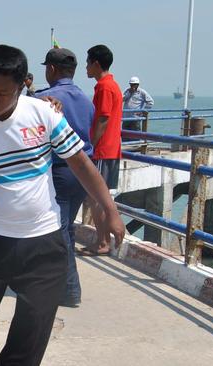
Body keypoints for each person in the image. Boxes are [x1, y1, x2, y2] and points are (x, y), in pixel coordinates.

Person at [0, 44, 125, 366]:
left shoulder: (44, 114)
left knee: (33, 328)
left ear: (22, 86)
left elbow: (82, 165)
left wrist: (110, 211)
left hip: (44, 240)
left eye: (1, 93)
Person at [35, 47, 95, 308]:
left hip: (58, 170)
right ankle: (65, 286)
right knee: (66, 229)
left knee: (57, 233)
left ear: (50, 69)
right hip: (83, 170)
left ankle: (69, 289)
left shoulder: (44, 98)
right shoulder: (85, 98)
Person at [80, 44, 124, 256]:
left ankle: (103, 242)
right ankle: (103, 240)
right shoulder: (111, 85)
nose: (86, 67)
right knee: (100, 197)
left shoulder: (105, 87)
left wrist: (91, 144)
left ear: (96, 63)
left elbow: (103, 118)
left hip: (102, 150)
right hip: (110, 149)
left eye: (88, 63)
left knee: (96, 198)